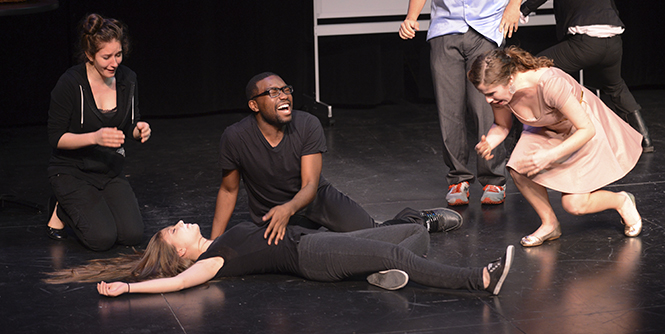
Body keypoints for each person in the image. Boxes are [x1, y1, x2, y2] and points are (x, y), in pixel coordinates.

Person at [211, 72, 463, 243]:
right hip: (273, 216)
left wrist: (289, 207)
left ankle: (419, 220)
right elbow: (228, 190)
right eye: (273, 92)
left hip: (317, 200)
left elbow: (310, 185)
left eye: (286, 90)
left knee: (373, 235)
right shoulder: (235, 137)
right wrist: (212, 244)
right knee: (324, 248)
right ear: (254, 105)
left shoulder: (307, 124)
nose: (284, 95)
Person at [45, 220, 515, 296]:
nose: (182, 222)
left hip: (322, 239)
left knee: (414, 232)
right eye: (175, 230)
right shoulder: (212, 261)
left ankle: (376, 271)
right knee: (396, 249)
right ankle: (477, 280)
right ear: (180, 251)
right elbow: (180, 285)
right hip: (311, 254)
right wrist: (131, 286)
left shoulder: (221, 236)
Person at [468, 46, 643, 247]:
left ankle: (621, 201)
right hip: (546, 129)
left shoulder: (549, 83)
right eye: (484, 94)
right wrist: (490, 141)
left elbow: (587, 129)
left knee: (574, 205)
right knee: (519, 167)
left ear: (509, 80)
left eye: (490, 93)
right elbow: (502, 125)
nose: (488, 100)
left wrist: (549, 156)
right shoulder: (500, 94)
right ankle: (549, 224)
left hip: (580, 129)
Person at [398, 0, 530, 206]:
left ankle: (493, 178)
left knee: (486, 107)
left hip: (487, 26)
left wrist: (514, 5)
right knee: (448, 108)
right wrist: (411, 17)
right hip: (445, 28)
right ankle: (458, 178)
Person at [46, 14, 149, 251]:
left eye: (119, 54)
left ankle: (88, 205)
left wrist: (139, 130)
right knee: (101, 239)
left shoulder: (128, 79)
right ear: (90, 55)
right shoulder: (70, 83)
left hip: (109, 169)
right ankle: (61, 207)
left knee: (132, 234)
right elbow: (56, 137)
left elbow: (131, 122)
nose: (114, 63)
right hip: (72, 171)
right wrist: (94, 137)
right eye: (106, 57)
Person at [519, 0, 654, 152]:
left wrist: (521, 11)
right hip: (613, 42)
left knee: (533, 69)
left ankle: (528, 135)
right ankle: (645, 139)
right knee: (616, 86)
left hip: (586, 43)